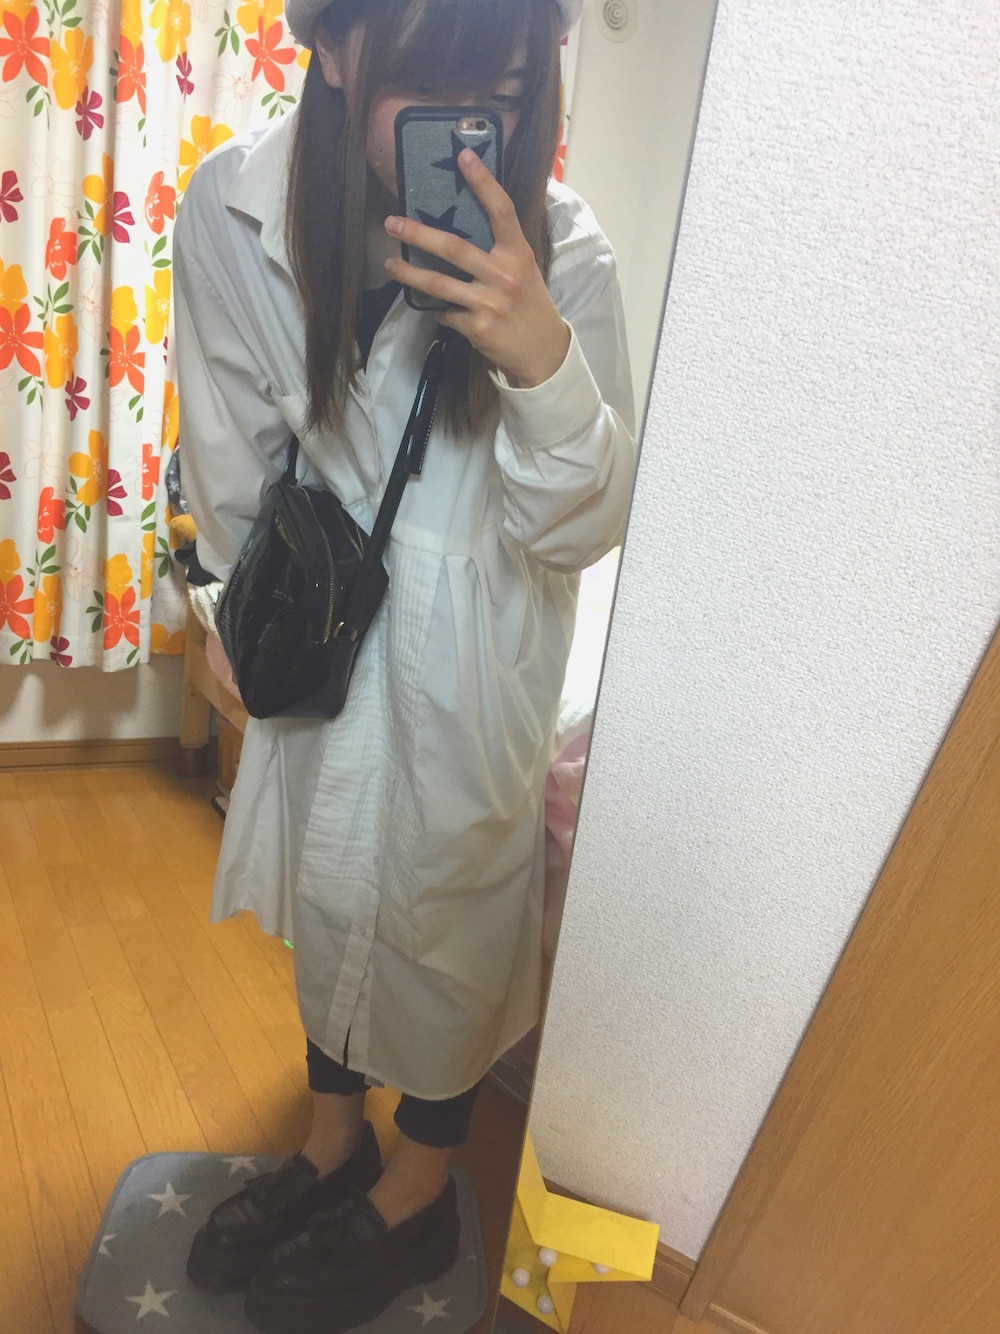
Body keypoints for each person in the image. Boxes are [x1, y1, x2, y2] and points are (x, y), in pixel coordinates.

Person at [173, 0, 636, 1329]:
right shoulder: (234, 212)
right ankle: (333, 1146)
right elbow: (229, 448)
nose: (473, 128)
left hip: (481, 636)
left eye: (507, 89)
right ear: (330, 45)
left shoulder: (565, 252)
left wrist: (538, 353)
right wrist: (232, 609)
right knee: (332, 892)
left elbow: (582, 524)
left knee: (446, 924)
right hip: (328, 611)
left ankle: (420, 1184)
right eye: (433, 84)